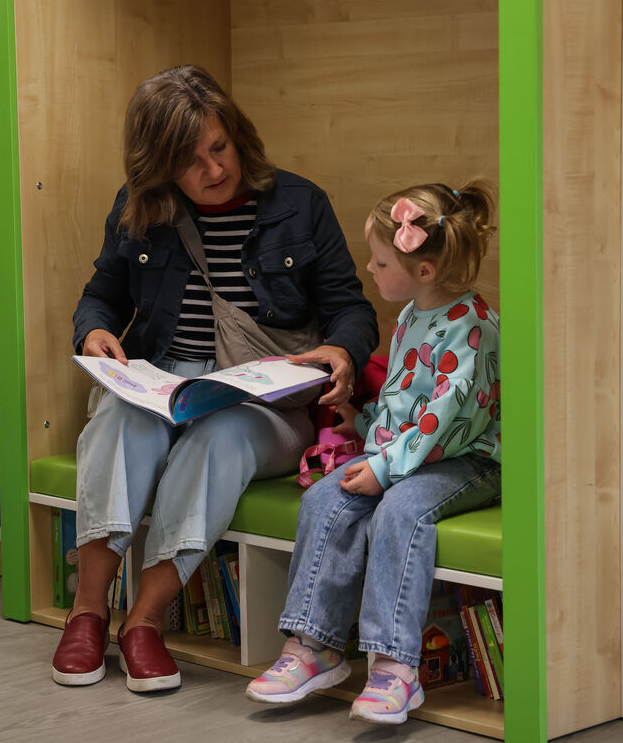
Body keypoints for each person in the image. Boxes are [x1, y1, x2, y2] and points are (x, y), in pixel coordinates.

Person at [52, 64, 379, 693]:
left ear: (236, 134)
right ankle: (87, 612)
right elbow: (101, 296)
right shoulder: (139, 207)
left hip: (264, 401)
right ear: (159, 167)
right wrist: (92, 332)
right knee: (116, 421)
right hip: (164, 383)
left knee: (217, 438)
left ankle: (144, 622)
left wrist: (342, 349)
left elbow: (350, 307)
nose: (214, 169)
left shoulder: (300, 204)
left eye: (219, 147)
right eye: (190, 161)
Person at [245, 181, 502, 724]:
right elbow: (404, 397)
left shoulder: (472, 326)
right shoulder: (410, 315)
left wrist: (384, 467)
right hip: (409, 456)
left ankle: (394, 666)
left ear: (424, 269)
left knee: (399, 512)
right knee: (323, 500)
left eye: (381, 262)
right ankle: (313, 646)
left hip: (468, 460)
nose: (369, 268)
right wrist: (362, 424)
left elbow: (444, 419)